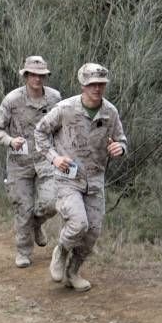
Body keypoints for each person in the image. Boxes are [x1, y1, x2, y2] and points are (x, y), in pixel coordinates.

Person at [34, 63, 127, 292]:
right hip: (67, 178)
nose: (97, 88)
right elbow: (40, 132)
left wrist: (120, 148)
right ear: (83, 85)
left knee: (92, 232)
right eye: (92, 84)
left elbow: (121, 140)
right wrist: (54, 158)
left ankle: (73, 272)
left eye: (101, 84)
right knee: (78, 223)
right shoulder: (65, 109)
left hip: (95, 180)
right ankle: (61, 251)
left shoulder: (110, 112)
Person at [0, 56, 61, 268]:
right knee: (23, 208)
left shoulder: (55, 98)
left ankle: (37, 222)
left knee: (52, 201)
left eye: (41, 75)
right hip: (19, 163)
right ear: (26, 76)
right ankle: (23, 252)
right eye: (33, 74)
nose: (37, 79)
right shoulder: (12, 100)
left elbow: (63, 127)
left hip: (46, 159)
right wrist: (10, 141)